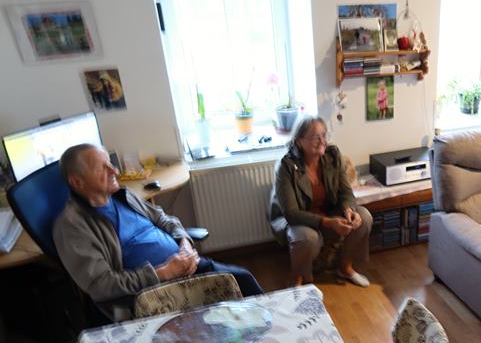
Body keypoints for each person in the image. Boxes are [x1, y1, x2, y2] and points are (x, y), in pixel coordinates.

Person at [53, 143, 263, 320]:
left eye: (110, 162)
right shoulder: (72, 226)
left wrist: (185, 244)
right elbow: (102, 285)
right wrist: (164, 272)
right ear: (77, 182)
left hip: (185, 267)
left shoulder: (121, 196)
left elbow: (164, 219)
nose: (114, 171)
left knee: (243, 280)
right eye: (102, 168)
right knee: (209, 321)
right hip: (151, 291)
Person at [269, 115, 372, 287]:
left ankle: (345, 267)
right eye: (316, 137)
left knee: (364, 217)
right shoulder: (286, 166)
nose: (322, 141)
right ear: (299, 141)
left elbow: (346, 192)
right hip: (299, 221)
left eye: (324, 135)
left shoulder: (333, 155)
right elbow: (291, 213)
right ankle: (297, 278)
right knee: (307, 238)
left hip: (329, 213)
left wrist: (348, 209)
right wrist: (328, 222)